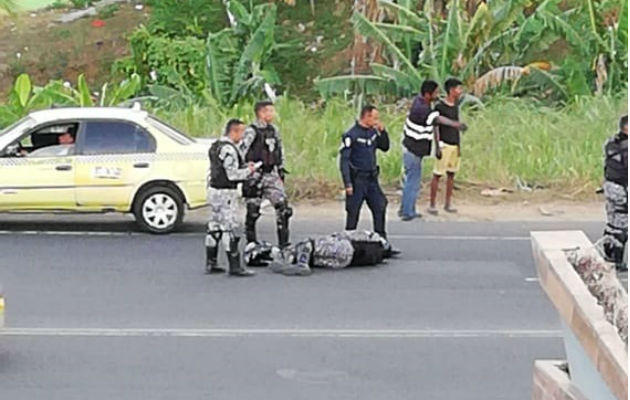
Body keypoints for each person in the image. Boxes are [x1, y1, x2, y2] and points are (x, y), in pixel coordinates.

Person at [399, 80, 467, 221]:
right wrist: (457, 124)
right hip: (413, 149)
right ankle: (407, 212)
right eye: (435, 92)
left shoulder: (420, 102)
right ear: (427, 94)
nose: (438, 95)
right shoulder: (422, 109)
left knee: (411, 181)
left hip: (412, 147)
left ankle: (406, 209)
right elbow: (438, 120)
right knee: (413, 181)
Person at [340, 105, 398, 256]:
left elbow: (385, 147)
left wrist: (382, 132)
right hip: (357, 179)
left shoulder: (373, 132)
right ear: (366, 116)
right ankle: (347, 246)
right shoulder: (351, 135)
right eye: (375, 117)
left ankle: (382, 244)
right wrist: (347, 183)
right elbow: (344, 161)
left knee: (380, 207)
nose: (377, 120)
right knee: (353, 213)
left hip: (371, 179)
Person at [206, 119, 259, 277]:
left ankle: (211, 262)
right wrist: (250, 170)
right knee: (229, 229)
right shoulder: (229, 149)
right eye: (241, 132)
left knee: (214, 226)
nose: (243, 136)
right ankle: (235, 266)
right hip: (226, 192)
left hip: (213, 190)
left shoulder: (215, 146)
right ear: (234, 131)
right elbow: (232, 174)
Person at [239, 100, 292, 248]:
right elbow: (240, 150)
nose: (272, 114)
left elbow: (279, 150)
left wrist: (281, 168)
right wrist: (244, 167)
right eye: (270, 111)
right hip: (255, 175)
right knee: (253, 211)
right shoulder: (251, 131)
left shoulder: (273, 130)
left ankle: (284, 244)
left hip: (271, 174)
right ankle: (251, 243)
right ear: (262, 113)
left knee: (284, 209)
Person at [244, 230, 391, 276]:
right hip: (341, 251)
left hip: (343, 256)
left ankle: (380, 249)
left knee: (372, 253)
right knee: (307, 243)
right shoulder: (284, 256)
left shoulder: (284, 256)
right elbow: (306, 252)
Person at [428, 78, 467, 215]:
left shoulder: (455, 106)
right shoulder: (440, 106)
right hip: (444, 144)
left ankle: (447, 203)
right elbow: (436, 127)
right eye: (458, 88)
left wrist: (459, 146)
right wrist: (437, 146)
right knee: (437, 174)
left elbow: (456, 126)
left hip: (454, 144)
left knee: (451, 174)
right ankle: (432, 204)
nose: (460, 91)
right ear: (451, 90)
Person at [601, 115, 628, 272]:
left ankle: (609, 255)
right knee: (621, 227)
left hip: (610, 186)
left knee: (612, 223)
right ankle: (617, 260)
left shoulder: (610, 142)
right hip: (621, 189)